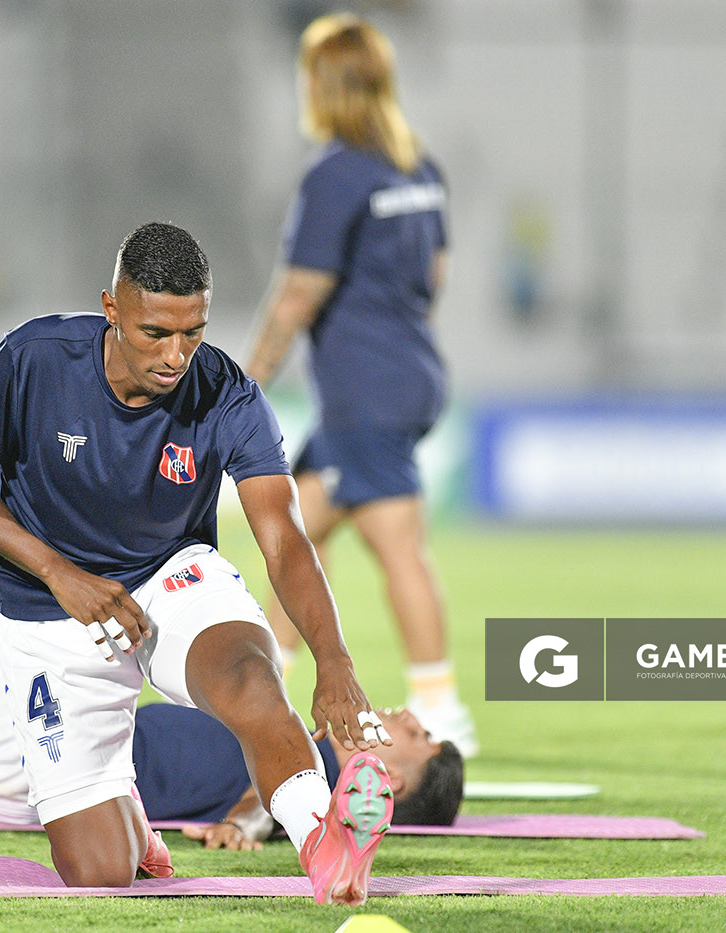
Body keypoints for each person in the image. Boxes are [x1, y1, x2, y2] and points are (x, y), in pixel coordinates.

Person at [0, 221, 394, 905]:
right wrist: (58, 571)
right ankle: (131, 819)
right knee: (99, 871)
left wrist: (335, 660)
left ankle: (324, 842)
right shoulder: (36, 358)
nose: (177, 355)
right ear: (111, 310)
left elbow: (286, 538)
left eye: (193, 331)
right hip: (50, 610)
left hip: (171, 577)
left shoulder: (227, 392)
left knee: (249, 677)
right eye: (155, 333)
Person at [243, 13, 476, 757]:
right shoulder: (420, 169)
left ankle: (443, 713)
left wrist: (244, 383)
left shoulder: (336, 174)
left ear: (323, 84)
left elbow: (299, 293)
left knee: (395, 543)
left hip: (365, 390)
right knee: (295, 534)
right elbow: (432, 278)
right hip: (406, 372)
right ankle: (271, 693)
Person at [0, 633, 464, 846]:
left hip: (24, 761)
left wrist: (243, 824)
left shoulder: (310, 777)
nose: (408, 716)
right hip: (26, 774)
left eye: (418, 734)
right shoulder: (298, 746)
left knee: (47, 567)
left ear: (387, 778)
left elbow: (273, 802)